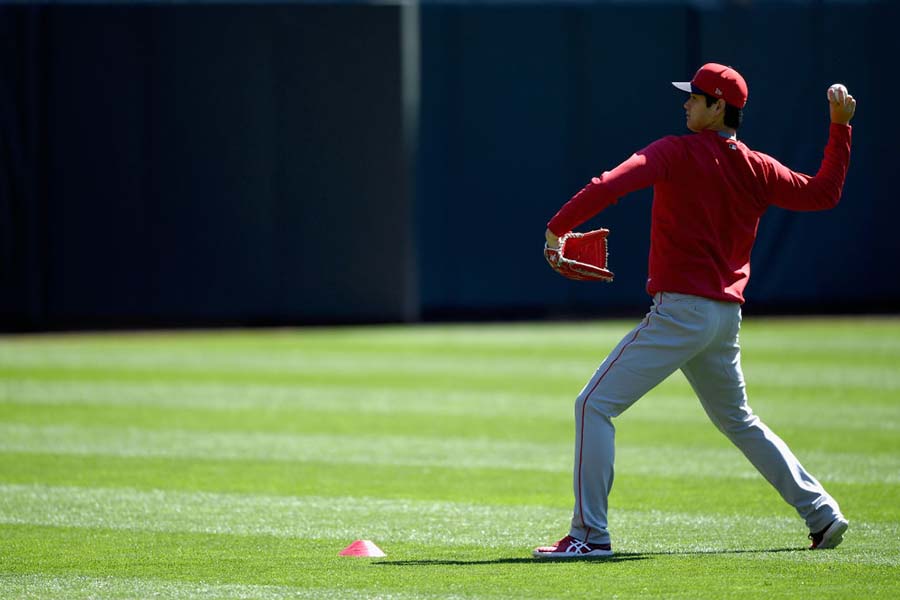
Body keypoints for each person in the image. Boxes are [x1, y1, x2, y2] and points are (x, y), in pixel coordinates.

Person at [533, 63, 857, 558]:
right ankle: (823, 514)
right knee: (740, 421)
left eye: (695, 97)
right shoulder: (757, 167)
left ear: (718, 107)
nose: (685, 104)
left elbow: (610, 184)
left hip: (681, 312)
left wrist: (558, 228)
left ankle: (588, 535)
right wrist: (840, 126)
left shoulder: (675, 152)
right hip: (724, 319)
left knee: (593, 405)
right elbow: (823, 193)